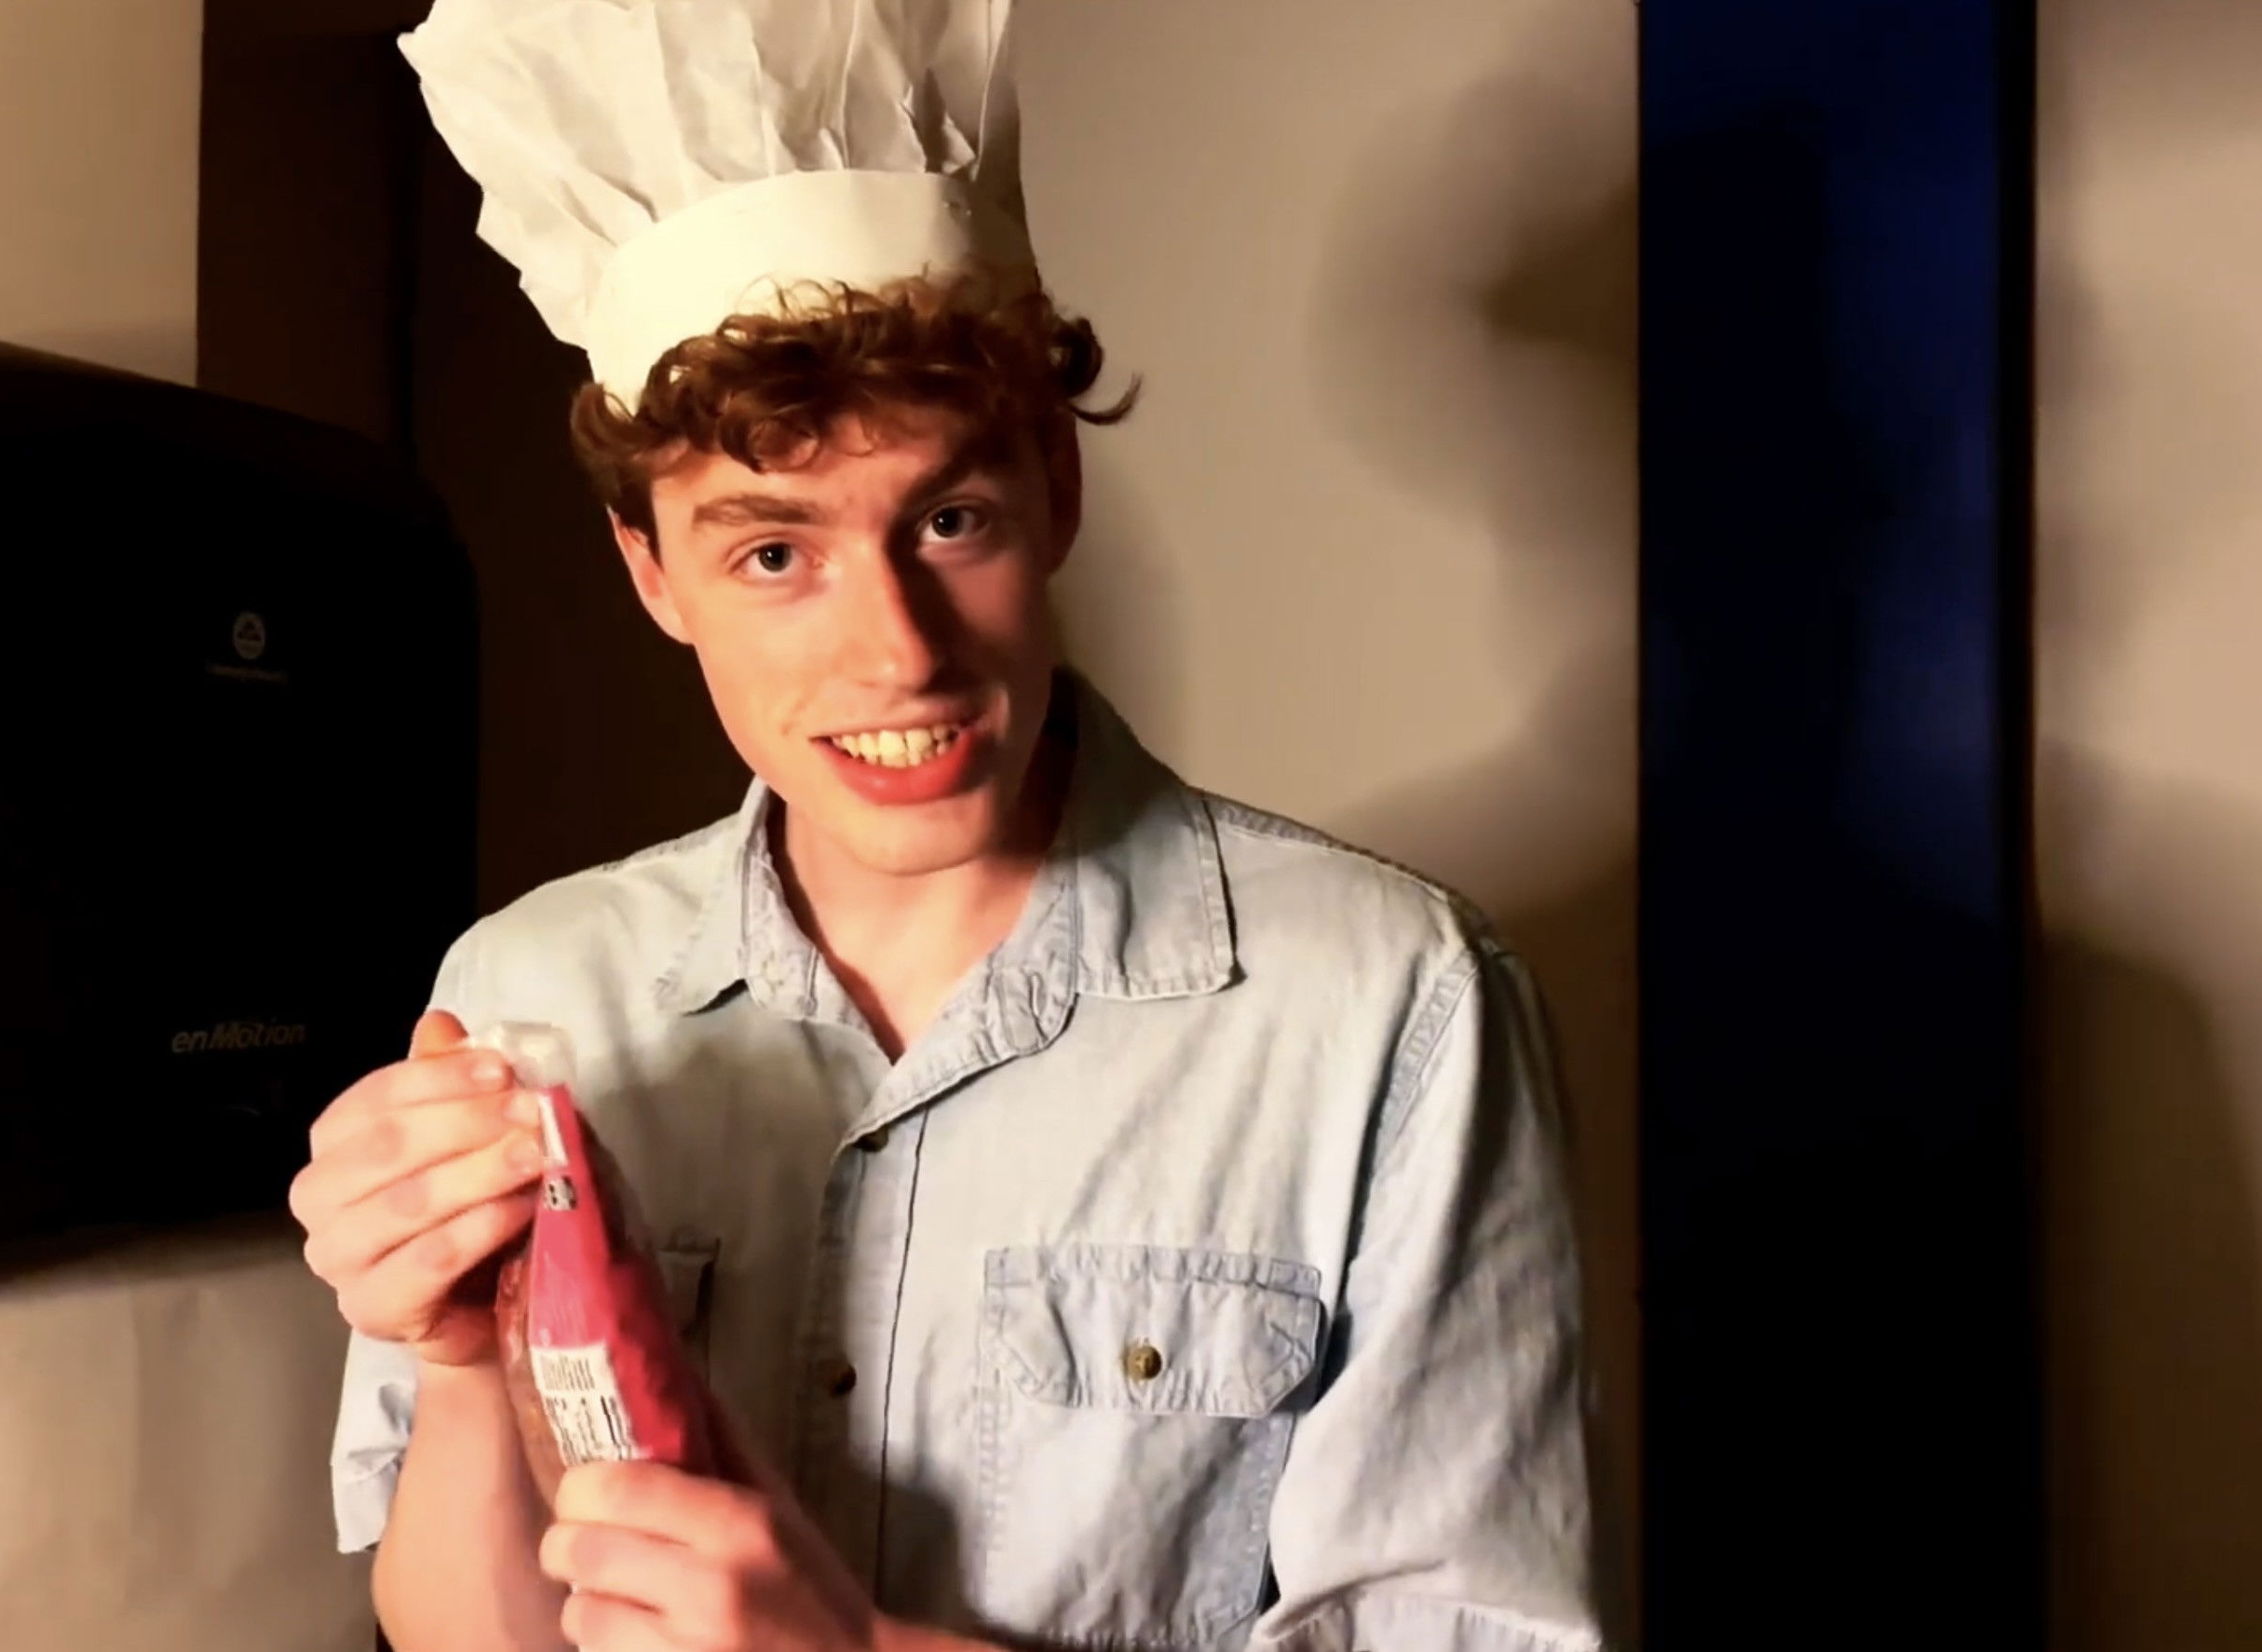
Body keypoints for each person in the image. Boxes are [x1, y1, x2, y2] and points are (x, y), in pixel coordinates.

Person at [287, 5, 1605, 1649]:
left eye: (950, 519)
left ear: (1057, 488)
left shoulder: (1388, 1004)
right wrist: (459, 1358)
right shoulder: (533, 985)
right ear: (651, 572)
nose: (895, 652)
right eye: (773, 554)